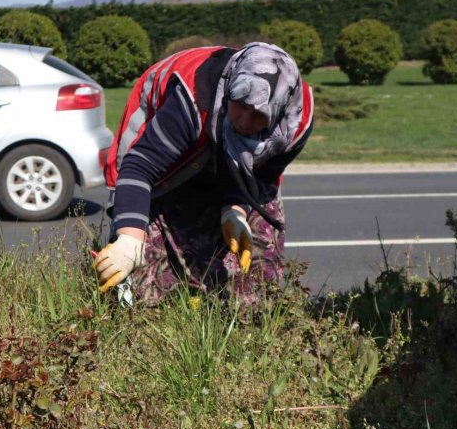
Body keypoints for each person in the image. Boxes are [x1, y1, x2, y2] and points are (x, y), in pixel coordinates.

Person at [93, 42, 314, 305]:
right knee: (143, 279)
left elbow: (261, 174)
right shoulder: (193, 101)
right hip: (157, 143)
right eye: (241, 104)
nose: (244, 121)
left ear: (278, 114)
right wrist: (130, 240)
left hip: (215, 131)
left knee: (254, 259)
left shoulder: (294, 126)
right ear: (230, 89)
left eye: (258, 114)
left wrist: (235, 210)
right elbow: (139, 168)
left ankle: (248, 315)